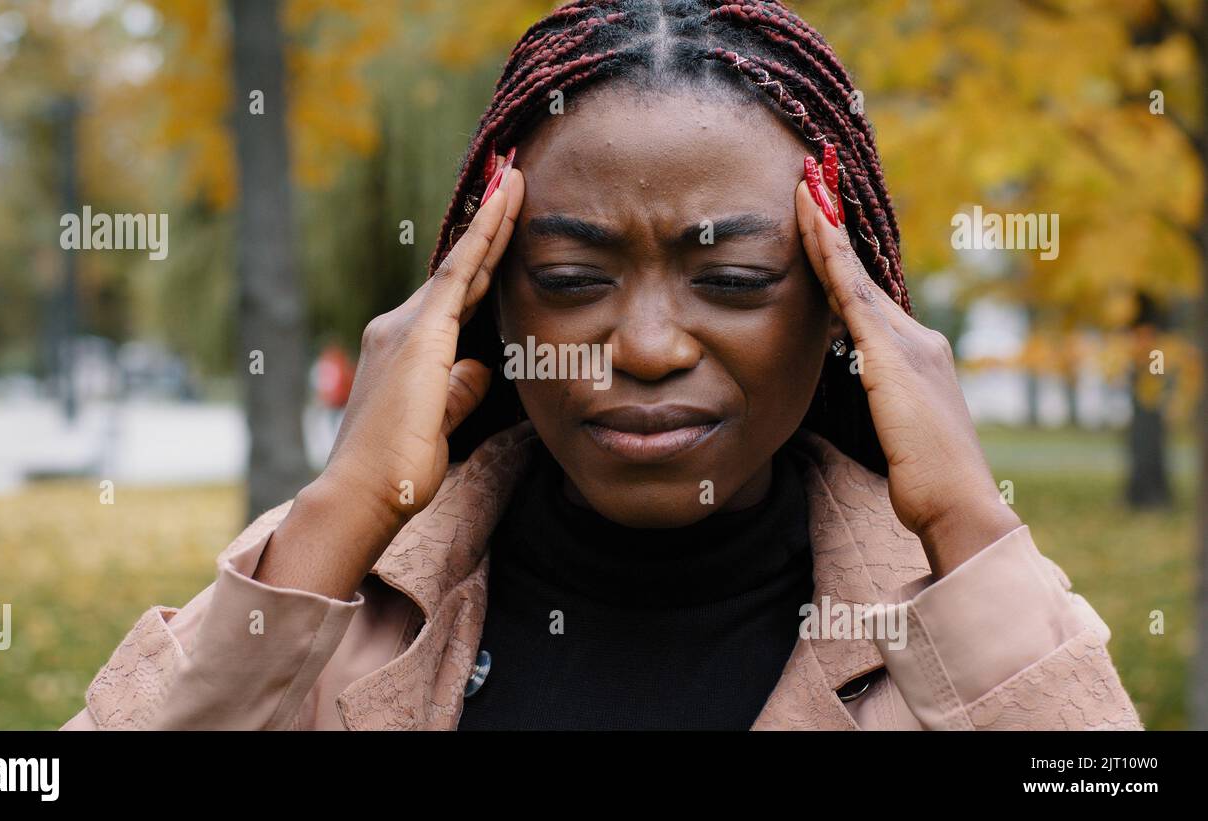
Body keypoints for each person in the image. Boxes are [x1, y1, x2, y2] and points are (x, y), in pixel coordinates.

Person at [63, 0, 1141, 730]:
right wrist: (339, 510)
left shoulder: (965, 625)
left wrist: (967, 526)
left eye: (732, 279)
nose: (648, 346)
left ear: (837, 304)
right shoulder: (343, 603)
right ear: (485, 299)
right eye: (573, 277)